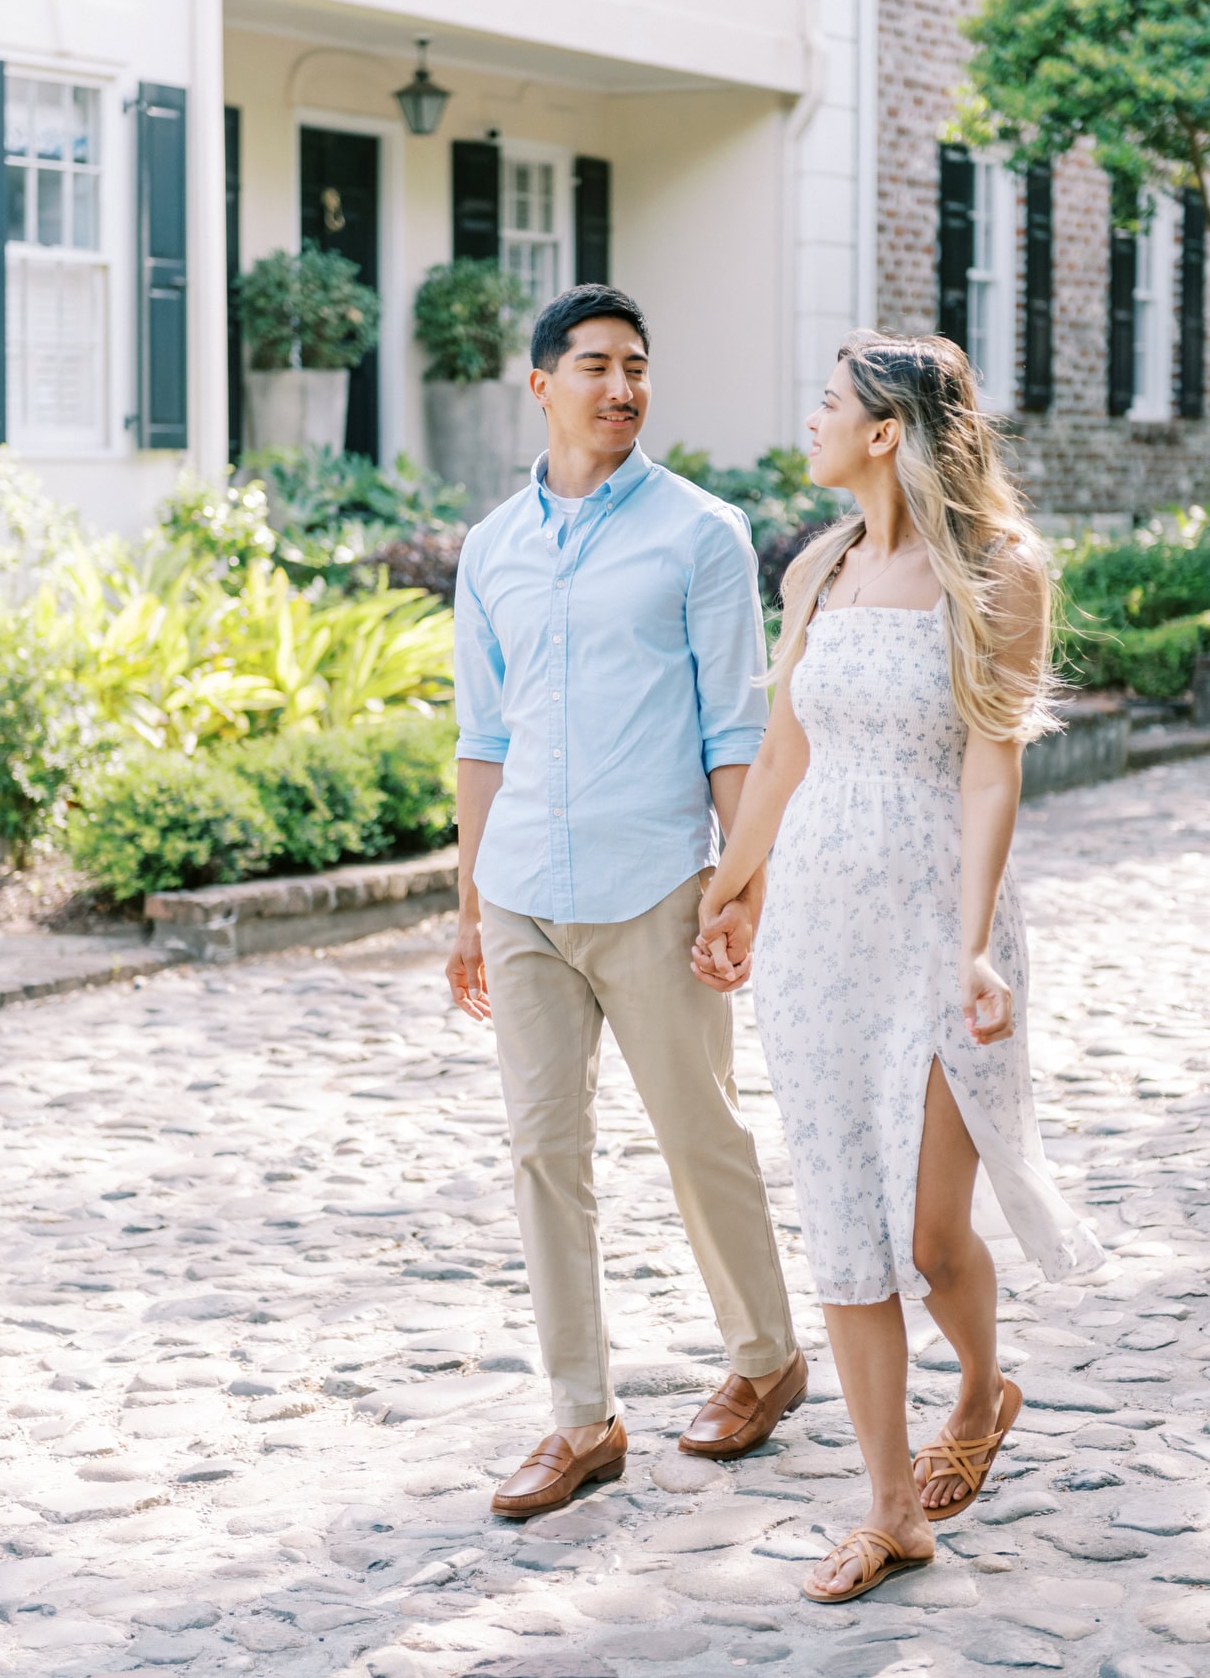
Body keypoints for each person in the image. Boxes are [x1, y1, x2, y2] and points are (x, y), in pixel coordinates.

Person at [695, 331, 1104, 1603]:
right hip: (816, 930)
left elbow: (991, 766)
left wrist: (975, 941)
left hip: (935, 923)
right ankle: (888, 1508)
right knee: (842, 1220)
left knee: (930, 1233)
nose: (809, 420)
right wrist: (731, 886)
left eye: (828, 403)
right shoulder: (815, 567)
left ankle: (980, 1385)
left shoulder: (997, 569)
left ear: (885, 431)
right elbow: (781, 754)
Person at [447, 283, 805, 1521]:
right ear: (540, 384)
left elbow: (733, 729)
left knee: (697, 1131)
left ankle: (764, 1355)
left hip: (653, 882)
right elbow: (482, 737)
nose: (621, 386)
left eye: (637, 365)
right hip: (521, 894)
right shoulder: (492, 546)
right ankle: (579, 1417)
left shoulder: (700, 531)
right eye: (595, 364)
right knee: (543, 1150)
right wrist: (465, 907)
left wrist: (737, 886)